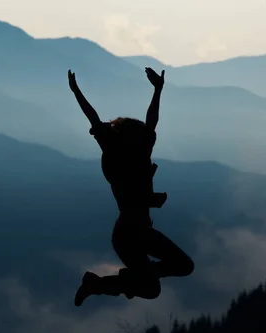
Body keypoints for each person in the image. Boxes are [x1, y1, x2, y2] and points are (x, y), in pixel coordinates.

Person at [68, 67, 195, 307]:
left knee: (158, 283)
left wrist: (158, 90)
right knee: (167, 277)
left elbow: (147, 122)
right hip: (130, 233)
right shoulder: (126, 151)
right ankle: (107, 283)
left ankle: (102, 284)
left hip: (132, 232)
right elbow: (98, 118)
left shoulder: (125, 149)